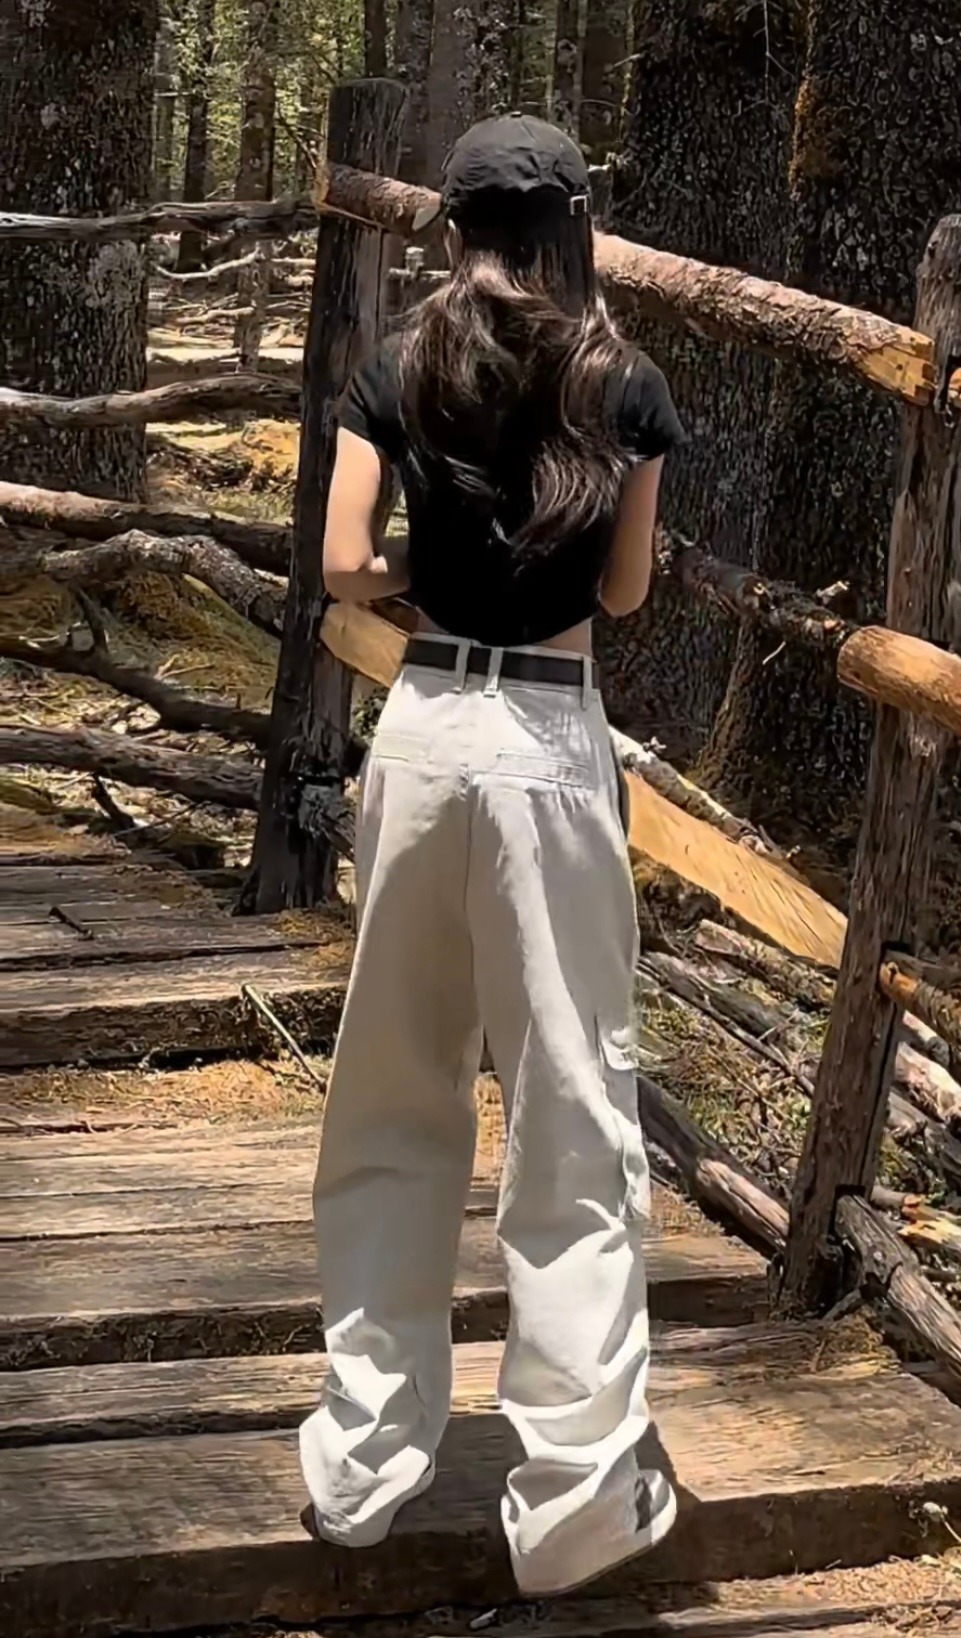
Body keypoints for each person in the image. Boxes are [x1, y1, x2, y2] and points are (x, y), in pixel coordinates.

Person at [299, 114, 686, 1598]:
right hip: (550, 743)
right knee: (571, 1107)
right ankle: (578, 1486)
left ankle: (364, 1457)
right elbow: (627, 591)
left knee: (390, 1093)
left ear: (454, 229)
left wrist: (428, 566)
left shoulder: (398, 362)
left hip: (424, 734)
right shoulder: (623, 379)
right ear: (573, 224)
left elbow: (344, 565)